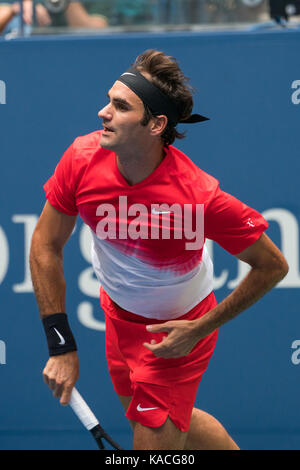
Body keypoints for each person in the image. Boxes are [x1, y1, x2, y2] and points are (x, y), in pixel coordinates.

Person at [29, 49, 288, 450]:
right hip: (118, 319)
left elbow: (272, 266)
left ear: (157, 124)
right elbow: (46, 245)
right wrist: (61, 345)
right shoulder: (82, 159)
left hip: (178, 334)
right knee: (164, 422)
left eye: (120, 106)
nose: (103, 112)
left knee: (152, 435)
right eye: (108, 99)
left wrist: (200, 330)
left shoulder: (197, 197)